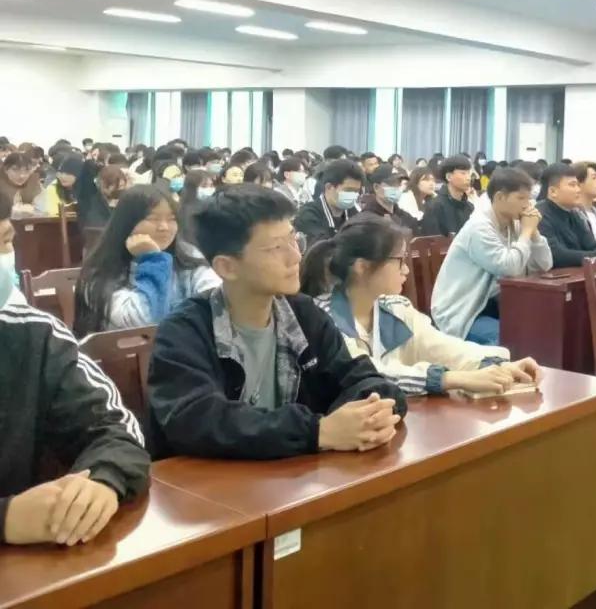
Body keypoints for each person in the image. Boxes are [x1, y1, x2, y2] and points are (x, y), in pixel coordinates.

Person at [147, 185, 407, 459]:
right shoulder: (185, 330)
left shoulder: (303, 315)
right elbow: (198, 421)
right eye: (276, 248)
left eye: (293, 239)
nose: (295, 257)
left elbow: (362, 379)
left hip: (296, 476)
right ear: (227, 267)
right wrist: (318, 431)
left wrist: (371, 412)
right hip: (212, 481)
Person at [0, 196, 150, 545]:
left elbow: (115, 428)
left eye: (5, 241)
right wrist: (5, 519)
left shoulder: (34, 335)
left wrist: (101, 480)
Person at [304, 217, 543, 397]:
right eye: (399, 261)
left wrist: (495, 364)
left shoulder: (394, 308)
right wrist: (449, 379)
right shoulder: (322, 317)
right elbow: (368, 375)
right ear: (362, 267)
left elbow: (443, 348)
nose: (406, 270)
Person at [73, 185, 220, 337]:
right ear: (127, 223)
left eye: (172, 219)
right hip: (129, 352)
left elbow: (219, 304)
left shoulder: (187, 259)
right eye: (152, 219)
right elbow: (142, 324)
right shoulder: (100, 274)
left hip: (183, 348)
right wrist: (153, 260)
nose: (164, 227)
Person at [431, 167, 553, 344]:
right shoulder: (479, 227)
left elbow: (545, 264)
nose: (527, 205)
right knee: (509, 338)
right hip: (464, 311)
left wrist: (534, 233)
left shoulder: (515, 223)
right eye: (521, 198)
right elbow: (509, 267)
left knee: (544, 328)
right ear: (500, 197)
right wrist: (526, 231)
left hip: (496, 305)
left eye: (529, 199)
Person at [536, 163, 596, 268]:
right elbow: (558, 255)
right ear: (553, 191)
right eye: (572, 185)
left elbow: (592, 244)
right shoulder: (539, 215)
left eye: (577, 185)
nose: (578, 189)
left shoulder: (574, 213)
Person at [293, 159, 364, 246]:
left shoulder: (355, 213)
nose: (353, 195)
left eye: (356, 191)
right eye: (348, 190)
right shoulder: (308, 215)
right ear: (329, 187)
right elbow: (323, 248)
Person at [420, 154, 474, 237]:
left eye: (469, 173)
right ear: (449, 177)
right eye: (463, 173)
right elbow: (433, 241)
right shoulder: (435, 207)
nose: (468, 178)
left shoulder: (470, 207)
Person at [358, 164, 419, 233]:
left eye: (398, 183)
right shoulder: (366, 220)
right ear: (376, 187)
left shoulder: (403, 216)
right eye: (391, 183)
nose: (396, 187)